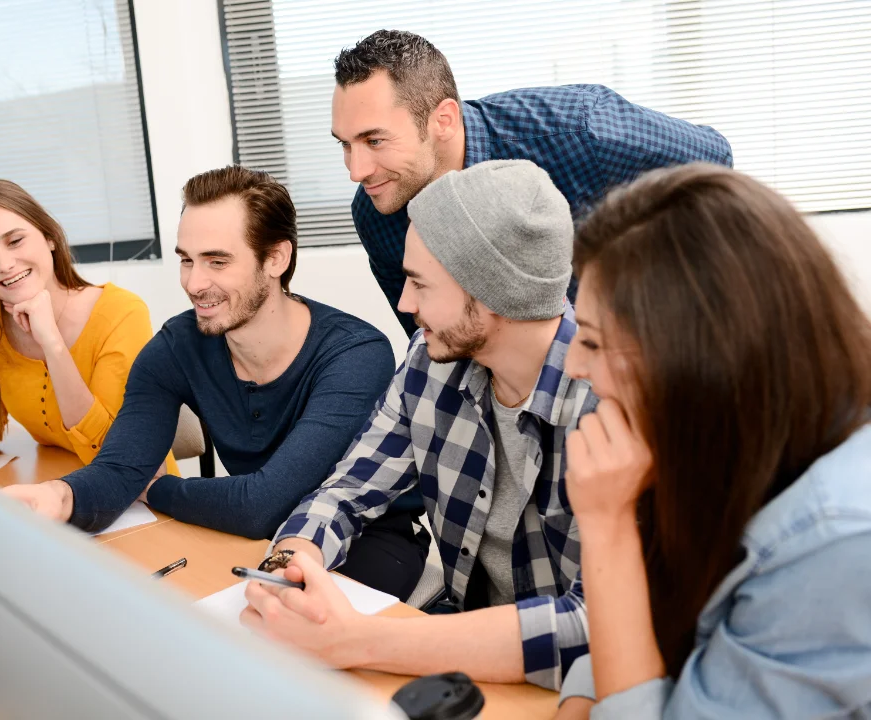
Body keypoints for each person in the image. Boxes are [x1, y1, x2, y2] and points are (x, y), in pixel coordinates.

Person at [244, 159, 599, 691]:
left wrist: (355, 640)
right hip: (466, 661)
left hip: (569, 689)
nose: (405, 303)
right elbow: (348, 489)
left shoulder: (610, 401)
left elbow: (599, 627)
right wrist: (292, 562)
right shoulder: (428, 363)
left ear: (492, 289)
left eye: (419, 283)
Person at [3, 166, 430, 601]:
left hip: (369, 542)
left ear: (276, 260)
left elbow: (262, 505)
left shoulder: (354, 354)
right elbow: (119, 468)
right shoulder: (176, 346)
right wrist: (56, 497)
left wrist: (154, 488)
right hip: (257, 545)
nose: (193, 282)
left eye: (217, 261)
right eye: (186, 259)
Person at [552, 164, 871, 718]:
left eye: (595, 343)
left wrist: (606, 528)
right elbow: (646, 624)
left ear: (698, 360)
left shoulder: (838, 539)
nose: (574, 364)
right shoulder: (728, 436)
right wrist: (581, 700)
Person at [332, 29, 734, 336]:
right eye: (346, 145)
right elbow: (433, 341)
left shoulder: (580, 130)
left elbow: (714, 164)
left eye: (375, 140)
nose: (357, 170)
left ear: (443, 120)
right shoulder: (377, 210)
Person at [0, 179, 177, 476]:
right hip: (60, 487)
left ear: (49, 237)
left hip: (142, 497)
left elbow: (117, 454)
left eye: (15, 241)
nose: (4, 264)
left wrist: (53, 345)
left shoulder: (121, 313)